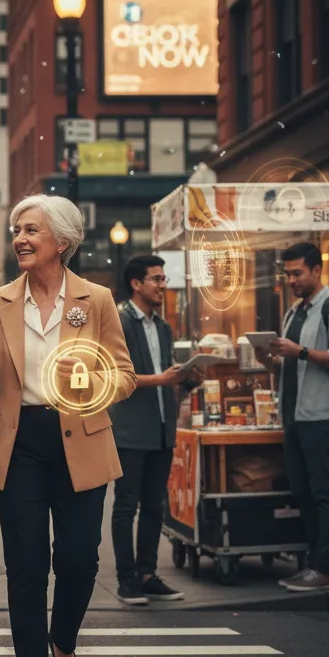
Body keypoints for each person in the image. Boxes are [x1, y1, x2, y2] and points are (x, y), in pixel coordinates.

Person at [0, 195, 135, 657]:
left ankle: (63, 641)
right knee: (25, 565)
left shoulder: (97, 299)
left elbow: (126, 373)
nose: (19, 238)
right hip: (17, 443)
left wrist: (92, 385)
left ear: (61, 242)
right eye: (17, 229)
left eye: (32, 230)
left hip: (80, 439)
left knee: (80, 559)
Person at [255, 242, 329, 592]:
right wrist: (267, 357)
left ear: (317, 270)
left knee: (324, 492)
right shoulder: (294, 311)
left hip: (322, 416)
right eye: (287, 273)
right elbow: (288, 366)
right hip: (294, 416)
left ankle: (326, 566)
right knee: (303, 492)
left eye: (297, 273)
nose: (291, 279)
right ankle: (313, 563)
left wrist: (298, 351)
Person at [110, 255, 198, 606]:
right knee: (126, 505)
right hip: (130, 430)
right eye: (156, 279)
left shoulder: (163, 327)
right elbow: (114, 378)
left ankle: (147, 574)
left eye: (164, 278)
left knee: (154, 506)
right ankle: (126, 578)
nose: (163, 285)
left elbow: (167, 380)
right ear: (136, 284)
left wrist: (187, 381)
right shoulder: (119, 321)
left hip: (163, 427)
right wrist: (162, 379)